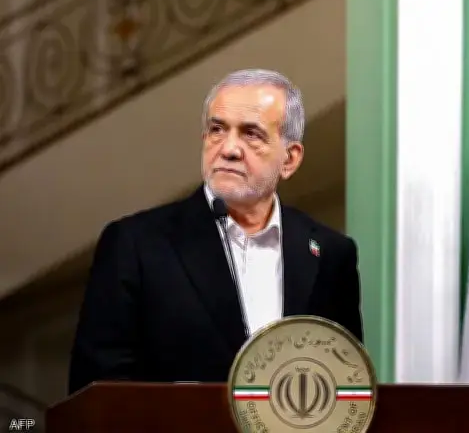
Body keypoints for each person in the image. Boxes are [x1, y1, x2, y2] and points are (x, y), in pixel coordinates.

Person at [67, 69, 363, 394]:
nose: (229, 149)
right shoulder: (136, 245)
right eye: (217, 130)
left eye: (251, 134)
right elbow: (97, 392)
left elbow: (346, 386)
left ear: (289, 159)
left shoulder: (330, 253)